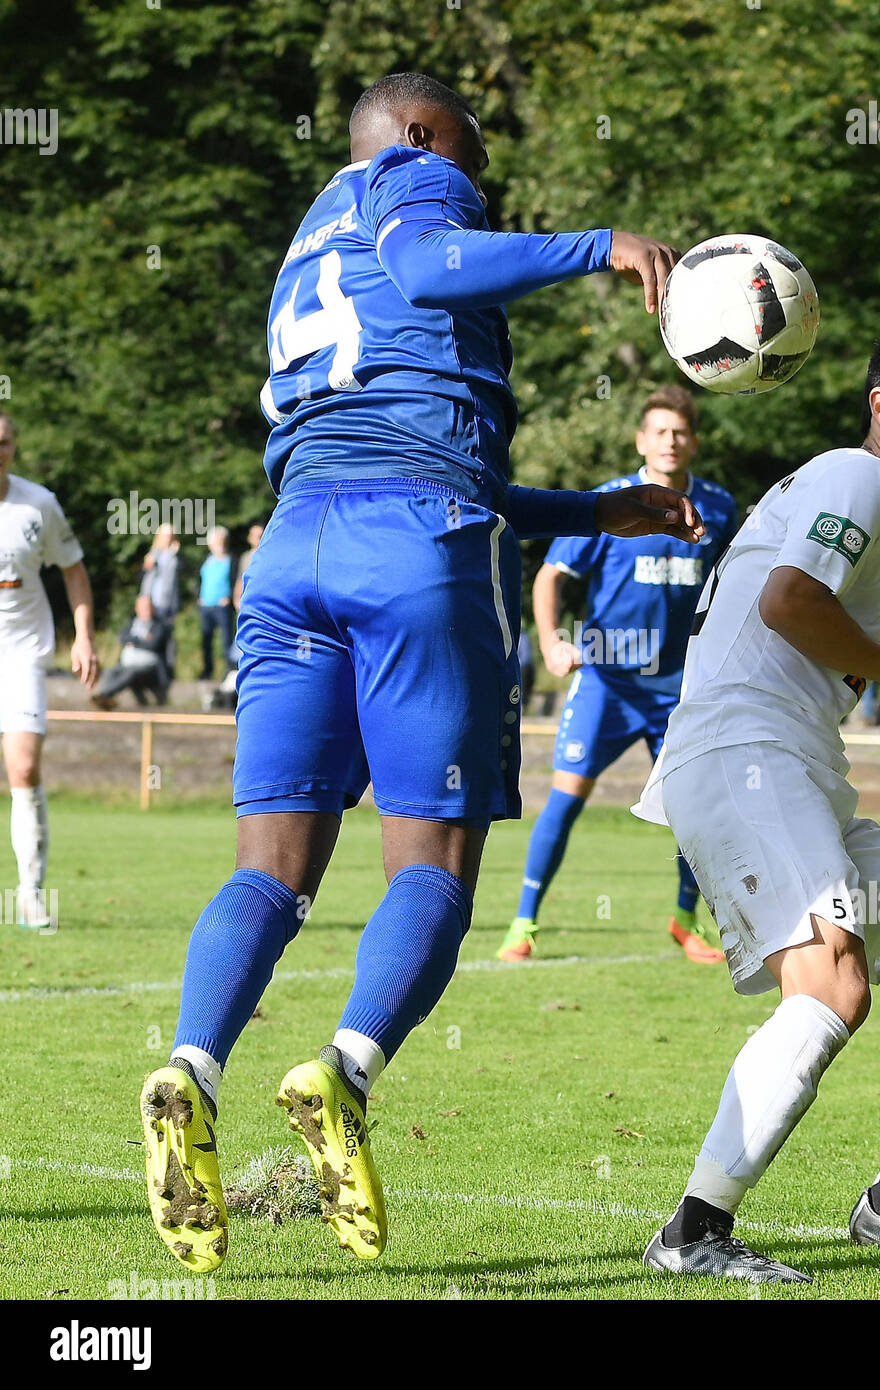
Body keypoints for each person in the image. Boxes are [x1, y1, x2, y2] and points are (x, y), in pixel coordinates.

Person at [138, 70, 702, 1275]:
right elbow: (436, 273)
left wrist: (594, 509)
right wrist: (600, 245)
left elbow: (396, 423)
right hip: (413, 549)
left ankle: (189, 1064)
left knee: (271, 872)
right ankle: (341, 1069)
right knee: (435, 870)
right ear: (420, 134)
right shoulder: (414, 173)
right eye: (474, 159)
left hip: (292, 550)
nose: (474, 185)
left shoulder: (306, 241)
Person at [634, 316, 880, 1283]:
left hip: (800, 775)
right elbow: (787, 603)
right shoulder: (852, 477)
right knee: (833, 985)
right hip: (746, 759)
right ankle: (693, 1232)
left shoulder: (878, 517)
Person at [496, 386, 738, 965]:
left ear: (694, 442)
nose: (670, 441)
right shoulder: (613, 501)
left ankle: (685, 921)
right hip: (607, 681)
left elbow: (738, 588)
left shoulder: (721, 508)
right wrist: (552, 641)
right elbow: (550, 575)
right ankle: (523, 923)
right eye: (659, 431)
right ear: (641, 441)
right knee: (565, 799)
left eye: (680, 432)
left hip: (680, 688)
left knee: (694, 810)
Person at [0, 411, 98, 929]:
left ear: (14, 445)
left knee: (23, 766)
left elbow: (74, 569)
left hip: (20, 656)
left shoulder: (37, 505)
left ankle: (31, 893)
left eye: (4, 441)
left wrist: (83, 635)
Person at [90, 594, 172, 709]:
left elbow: (153, 645)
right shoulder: (133, 623)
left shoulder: (159, 625)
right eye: (143, 608)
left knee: (131, 673)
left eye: (148, 607)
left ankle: (105, 695)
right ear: (137, 609)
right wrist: (140, 640)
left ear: (152, 608)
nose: (146, 611)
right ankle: (106, 698)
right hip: (128, 664)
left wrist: (133, 641)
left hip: (150, 668)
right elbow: (122, 637)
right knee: (109, 672)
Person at [197, 526, 234, 680]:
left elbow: (235, 580)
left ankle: (229, 670)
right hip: (206, 605)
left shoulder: (231, 560)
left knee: (226, 640)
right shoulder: (207, 561)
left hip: (222, 605)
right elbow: (200, 580)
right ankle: (207, 670)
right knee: (206, 640)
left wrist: (229, 597)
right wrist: (199, 597)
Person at [232, 522, 263, 613]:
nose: (258, 538)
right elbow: (240, 579)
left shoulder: (268, 556)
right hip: (247, 602)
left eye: (260, 535)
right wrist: (237, 599)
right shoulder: (245, 557)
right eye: (255, 535)